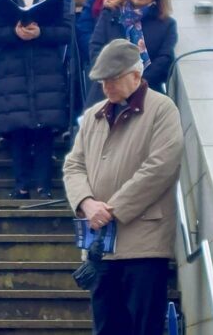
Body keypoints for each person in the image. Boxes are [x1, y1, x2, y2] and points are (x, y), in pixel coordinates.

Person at [63, 39, 184, 335]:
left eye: (113, 79)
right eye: (102, 80)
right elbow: (73, 165)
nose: (106, 87)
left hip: (144, 244)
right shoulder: (94, 116)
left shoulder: (161, 109)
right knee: (106, 327)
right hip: (100, 247)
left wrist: (113, 209)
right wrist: (87, 203)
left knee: (145, 327)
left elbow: (161, 167)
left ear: (135, 75)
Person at [0, 0, 70, 199]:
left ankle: (43, 184)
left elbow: (67, 31)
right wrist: (14, 32)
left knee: (44, 127)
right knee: (18, 127)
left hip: (46, 68)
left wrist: (41, 32)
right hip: (13, 69)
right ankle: (20, 184)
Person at [86, 0, 177, 108]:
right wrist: (115, 78)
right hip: (105, 94)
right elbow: (95, 48)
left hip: (146, 98)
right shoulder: (110, 14)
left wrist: (134, 83)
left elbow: (164, 60)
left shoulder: (166, 24)